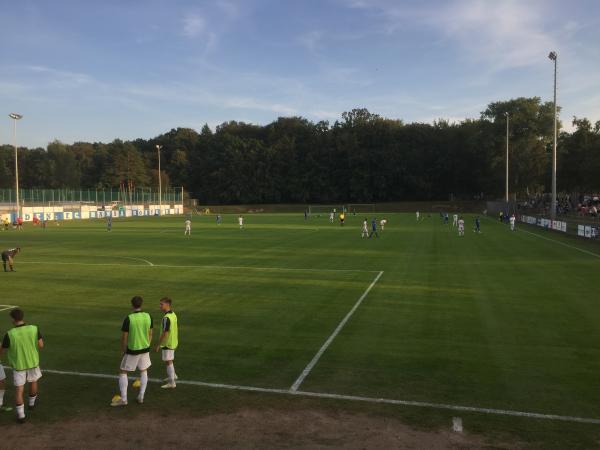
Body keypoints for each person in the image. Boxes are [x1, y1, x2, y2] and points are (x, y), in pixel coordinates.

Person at [0, 308, 44, 423]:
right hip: (33, 362)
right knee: (33, 382)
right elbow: (41, 345)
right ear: (22, 317)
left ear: (13, 320)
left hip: (19, 365)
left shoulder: (10, 334)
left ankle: (21, 416)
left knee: (19, 390)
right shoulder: (34, 328)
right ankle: (31, 404)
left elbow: (2, 350)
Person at [111, 296, 153, 407]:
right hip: (145, 348)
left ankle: (124, 399)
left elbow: (124, 337)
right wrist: (147, 343)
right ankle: (141, 396)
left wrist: (123, 350)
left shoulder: (129, 318)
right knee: (144, 370)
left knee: (123, 371)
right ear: (141, 304)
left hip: (133, 350)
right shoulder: (148, 316)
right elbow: (150, 333)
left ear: (132, 305)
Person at [155, 297, 178, 389]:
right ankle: (173, 376)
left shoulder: (166, 318)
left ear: (167, 304)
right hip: (173, 341)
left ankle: (172, 382)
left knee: (168, 361)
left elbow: (165, 332)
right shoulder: (173, 314)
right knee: (169, 360)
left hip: (167, 343)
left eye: (161, 304)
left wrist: (158, 345)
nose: (160, 306)